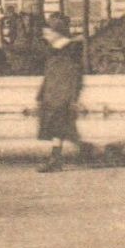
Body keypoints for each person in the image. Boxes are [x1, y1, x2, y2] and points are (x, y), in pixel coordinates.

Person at [37, 12, 94, 173]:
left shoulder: (69, 49)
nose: (45, 35)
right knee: (63, 129)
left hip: (62, 95)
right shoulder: (55, 49)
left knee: (59, 127)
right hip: (53, 93)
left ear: (56, 32)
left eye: (47, 32)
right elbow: (50, 73)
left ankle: (57, 159)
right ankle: (84, 149)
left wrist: (73, 97)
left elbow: (74, 74)